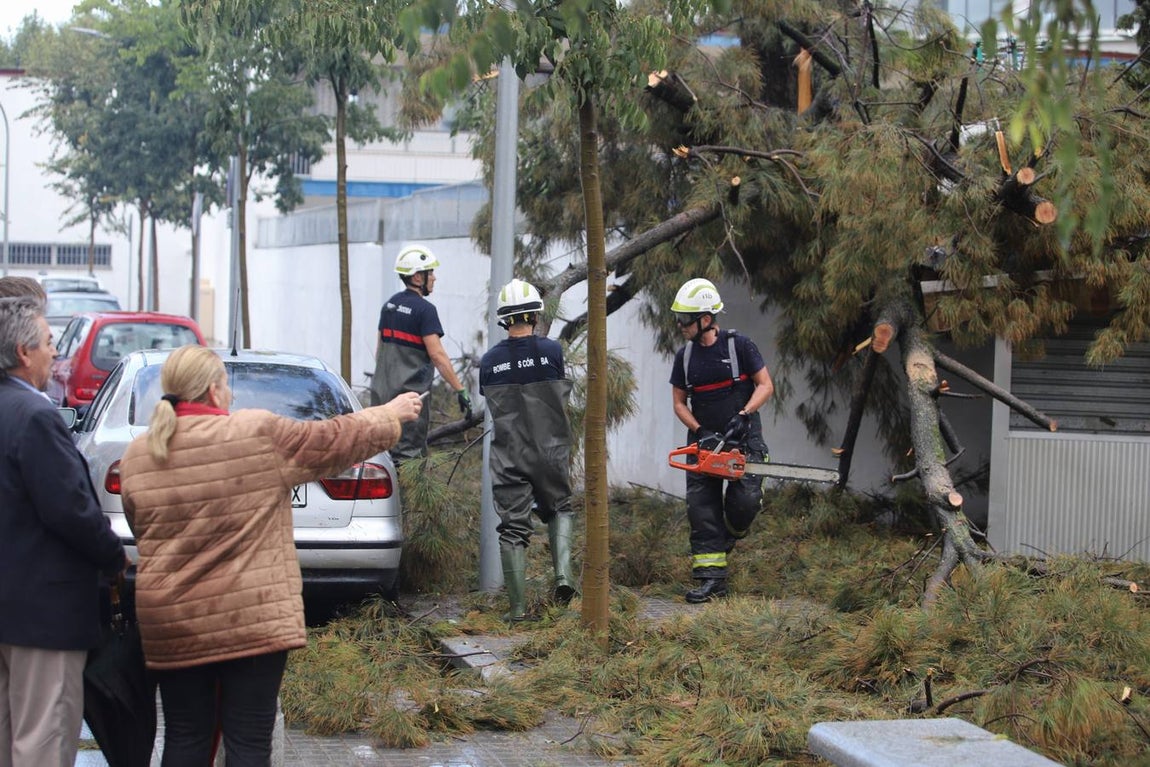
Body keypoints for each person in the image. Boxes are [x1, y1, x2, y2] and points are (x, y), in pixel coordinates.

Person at [118, 345, 422, 766]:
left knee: (186, 737)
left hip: (174, 622)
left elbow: (142, 531)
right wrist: (387, 415)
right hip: (251, 620)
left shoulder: (139, 455)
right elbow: (333, 439)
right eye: (227, 386)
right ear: (214, 389)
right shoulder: (254, 434)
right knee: (249, 741)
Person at [0, 295, 127, 767]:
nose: (57, 354)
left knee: (9, 735)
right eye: (50, 343)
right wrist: (114, 557)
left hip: (12, 607)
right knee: (43, 738)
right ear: (23, 353)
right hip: (43, 612)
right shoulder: (35, 416)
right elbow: (70, 509)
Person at [669, 278, 774, 603]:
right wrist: (700, 431)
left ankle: (727, 537)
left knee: (743, 503)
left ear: (705, 319)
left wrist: (744, 414)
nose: (680, 325)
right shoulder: (684, 358)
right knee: (702, 508)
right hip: (704, 441)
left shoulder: (738, 345)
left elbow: (766, 385)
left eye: (685, 319)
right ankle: (711, 579)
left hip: (743, 437)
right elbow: (678, 403)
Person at [479, 279, 576, 621]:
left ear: (503, 319)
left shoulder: (489, 361)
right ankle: (564, 577)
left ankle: (518, 609)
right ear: (536, 314)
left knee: (513, 528)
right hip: (550, 449)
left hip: (508, 456)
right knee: (560, 507)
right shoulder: (552, 351)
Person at [370, 243, 471, 465]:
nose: (434, 278)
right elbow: (438, 356)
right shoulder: (425, 310)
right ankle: (405, 502)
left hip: (380, 399)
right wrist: (460, 389)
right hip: (408, 404)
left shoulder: (389, 306)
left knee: (382, 459)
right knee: (409, 462)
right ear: (417, 277)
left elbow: (380, 353)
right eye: (430, 272)